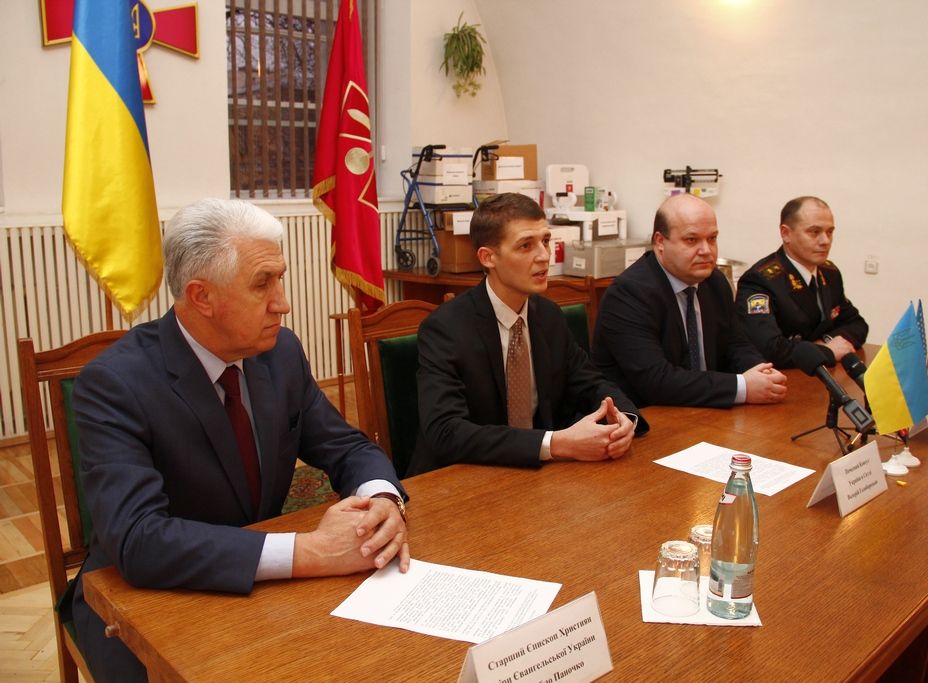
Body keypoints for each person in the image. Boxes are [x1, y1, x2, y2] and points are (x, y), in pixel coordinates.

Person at [70, 199, 410, 682]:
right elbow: (139, 540)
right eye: (262, 283)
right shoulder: (115, 383)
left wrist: (382, 500)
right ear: (201, 297)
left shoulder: (280, 352)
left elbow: (348, 447)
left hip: (265, 591)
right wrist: (310, 551)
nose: (283, 303)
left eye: (279, 278)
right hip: (145, 601)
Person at [408, 193, 646, 476]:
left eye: (545, 241)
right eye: (525, 245)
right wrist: (555, 444)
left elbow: (591, 383)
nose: (544, 256)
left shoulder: (548, 316)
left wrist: (623, 420)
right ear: (488, 257)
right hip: (462, 478)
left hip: (537, 477)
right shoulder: (445, 328)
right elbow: (446, 431)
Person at [591, 193, 787, 408]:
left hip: (705, 409)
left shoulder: (714, 282)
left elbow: (735, 345)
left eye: (712, 238)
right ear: (660, 242)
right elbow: (657, 381)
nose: (706, 251)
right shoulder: (628, 294)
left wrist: (761, 372)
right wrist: (742, 387)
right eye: (691, 240)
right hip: (646, 416)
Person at [736, 196, 868, 368]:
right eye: (814, 232)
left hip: (822, 373)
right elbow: (769, 349)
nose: (825, 241)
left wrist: (826, 341)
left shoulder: (830, 273)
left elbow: (857, 324)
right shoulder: (760, 280)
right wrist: (826, 351)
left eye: (829, 232)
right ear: (786, 233)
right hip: (783, 378)